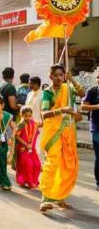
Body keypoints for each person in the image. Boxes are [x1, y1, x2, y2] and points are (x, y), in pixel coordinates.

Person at [39, 64, 85, 212]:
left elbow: (82, 93)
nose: (59, 78)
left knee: (67, 165)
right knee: (52, 163)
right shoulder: (48, 92)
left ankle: (59, 197)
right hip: (53, 133)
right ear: (50, 76)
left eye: (61, 75)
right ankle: (45, 198)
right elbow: (44, 113)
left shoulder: (68, 88)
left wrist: (72, 81)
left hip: (68, 131)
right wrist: (62, 110)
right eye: (56, 75)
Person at [14, 107, 41, 189]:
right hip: (23, 149)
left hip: (31, 149)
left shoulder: (33, 123)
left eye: (30, 116)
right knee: (28, 165)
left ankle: (34, 181)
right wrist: (25, 144)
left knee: (37, 164)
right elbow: (17, 136)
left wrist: (44, 115)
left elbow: (41, 124)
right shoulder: (21, 125)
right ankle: (28, 182)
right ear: (22, 115)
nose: (28, 118)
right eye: (26, 116)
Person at [81, 71, 99, 191]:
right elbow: (83, 106)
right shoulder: (92, 91)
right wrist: (97, 106)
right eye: (98, 76)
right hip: (97, 128)